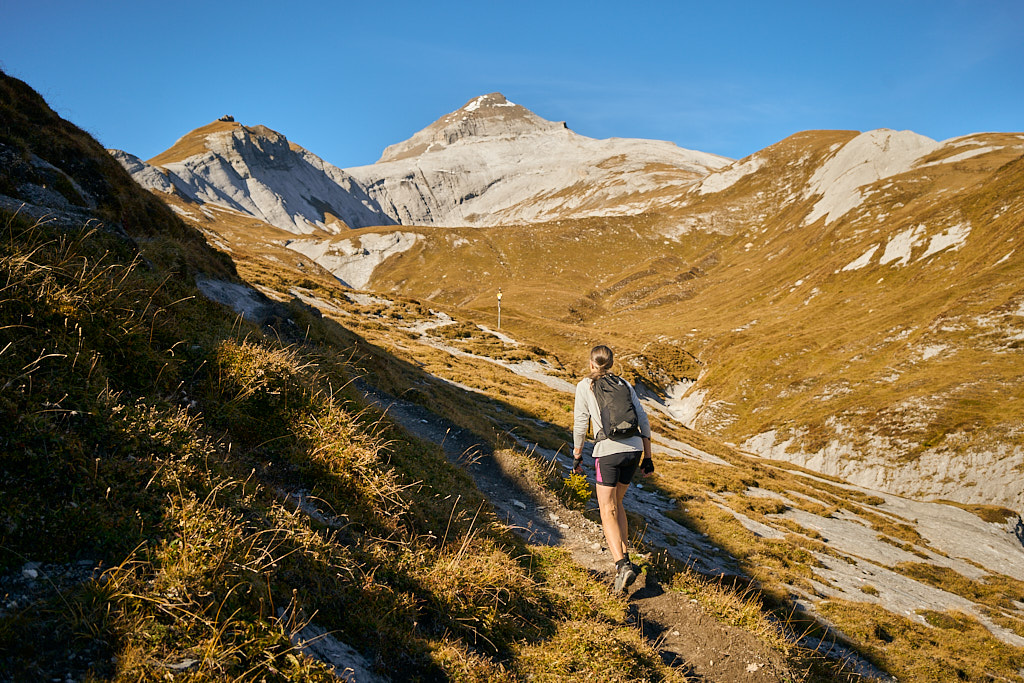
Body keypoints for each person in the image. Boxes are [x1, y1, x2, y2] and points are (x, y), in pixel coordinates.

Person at [572, 344, 653, 592]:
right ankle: (626, 556)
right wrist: (648, 458)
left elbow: (580, 423)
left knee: (606, 509)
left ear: (591, 364)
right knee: (618, 503)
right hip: (634, 450)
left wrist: (577, 455)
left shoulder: (584, 385)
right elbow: (643, 419)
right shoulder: (624, 384)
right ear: (611, 364)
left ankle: (621, 565)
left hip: (608, 451)